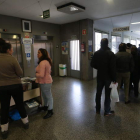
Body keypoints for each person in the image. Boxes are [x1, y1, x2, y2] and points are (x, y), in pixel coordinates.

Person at [0, 38, 29, 139]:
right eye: (11, 49)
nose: (12, 50)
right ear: (7, 50)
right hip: (15, 86)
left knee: (4, 107)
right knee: (20, 104)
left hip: (2, 88)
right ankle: (25, 123)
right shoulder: (12, 59)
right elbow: (20, 73)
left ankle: (4, 130)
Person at [91, 38, 116, 116]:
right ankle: (107, 111)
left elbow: (92, 64)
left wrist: (99, 67)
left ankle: (98, 109)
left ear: (100, 43)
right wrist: (114, 78)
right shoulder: (111, 54)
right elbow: (113, 68)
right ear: (107, 44)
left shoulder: (96, 53)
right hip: (108, 77)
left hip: (100, 76)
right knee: (107, 94)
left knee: (98, 93)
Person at [35, 48, 53, 119]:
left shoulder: (42, 62)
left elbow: (41, 75)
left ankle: (50, 110)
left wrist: (36, 74)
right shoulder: (47, 61)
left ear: (43, 54)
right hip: (45, 81)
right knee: (45, 95)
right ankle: (45, 107)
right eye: (37, 52)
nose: (37, 54)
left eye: (39, 52)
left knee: (48, 96)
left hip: (45, 82)